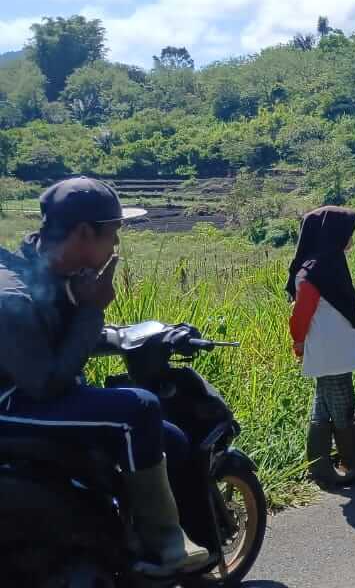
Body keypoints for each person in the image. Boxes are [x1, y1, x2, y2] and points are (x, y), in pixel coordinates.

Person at [0, 177, 210, 577]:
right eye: (112, 235)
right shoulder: (11, 293)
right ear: (83, 233)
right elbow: (44, 382)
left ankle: (128, 532)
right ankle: (165, 544)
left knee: (172, 438)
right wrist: (92, 309)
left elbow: (66, 339)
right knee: (139, 408)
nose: (115, 247)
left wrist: (141, 333)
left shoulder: (51, 272)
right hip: (11, 404)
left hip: (32, 393)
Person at [288, 206, 355, 486]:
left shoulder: (329, 264)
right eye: (347, 232)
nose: (350, 237)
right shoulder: (315, 271)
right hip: (329, 351)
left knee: (323, 406)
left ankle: (322, 469)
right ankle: (352, 465)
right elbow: (300, 313)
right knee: (342, 404)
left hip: (334, 350)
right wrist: (299, 344)